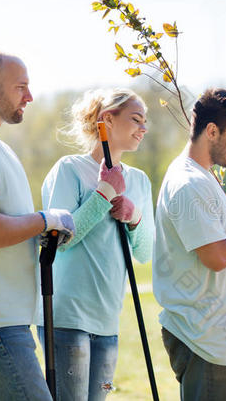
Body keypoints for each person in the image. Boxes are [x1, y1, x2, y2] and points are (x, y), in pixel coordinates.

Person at [37, 88, 154, 400]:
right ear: (107, 121)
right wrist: (103, 194)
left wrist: (135, 217)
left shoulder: (140, 180)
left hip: (107, 321)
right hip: (66, 317)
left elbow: (145, 252)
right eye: (136, 120)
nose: (144, 128)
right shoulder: (69, 169)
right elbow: (58, 241)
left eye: (145, 122)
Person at [152, 88, 226, 400]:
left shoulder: (203, 176)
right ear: (212, 131)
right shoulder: (190, 183)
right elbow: (215, 257)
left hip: (210, 338)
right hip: (203, 338)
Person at [0, 51, 75, 400]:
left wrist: (42, 233)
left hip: (5, 320)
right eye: (21, 87)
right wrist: (42, 220)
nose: (30, 97)